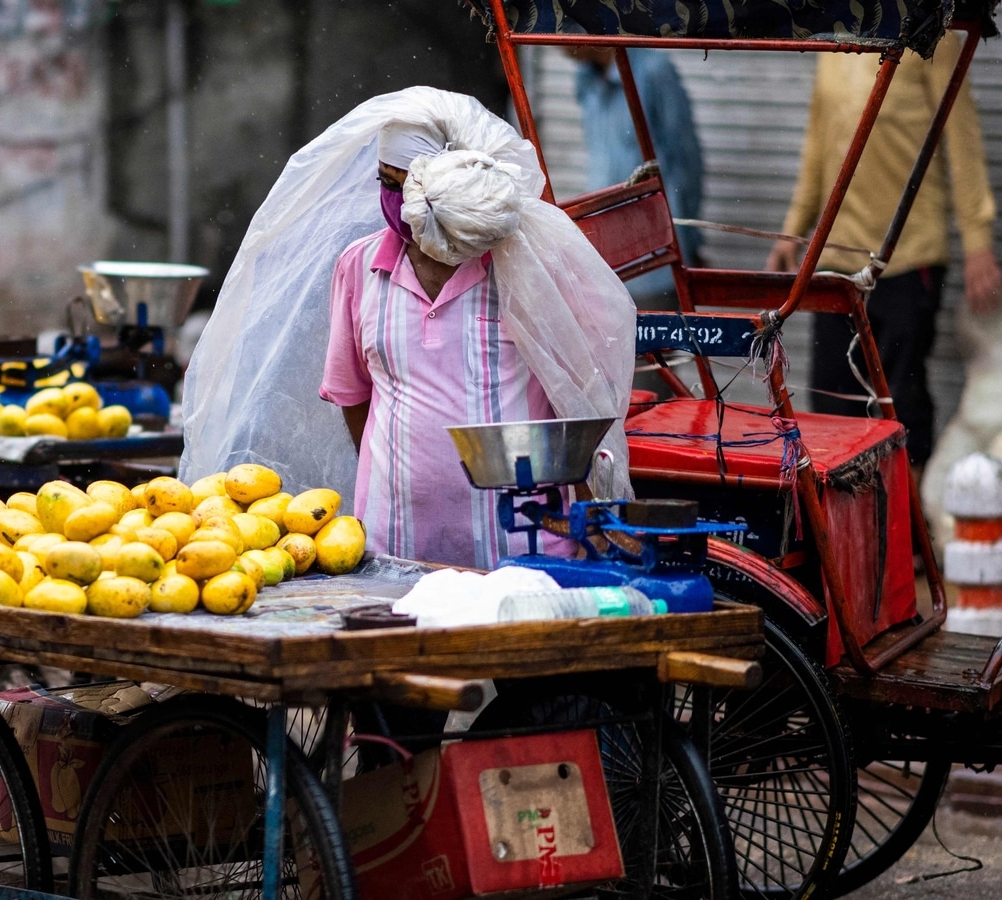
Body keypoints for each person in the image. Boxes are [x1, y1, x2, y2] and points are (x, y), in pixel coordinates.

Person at [179, 87, 635, 571]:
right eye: (385, 183)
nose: (395, 202)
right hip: (394, 549)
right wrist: (404, 477)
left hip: (523, 551)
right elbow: (355, 397)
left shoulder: (530, 271)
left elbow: (584, 401)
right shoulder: (359, 268)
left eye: (407, 188)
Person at [766, 33, 1002, 470]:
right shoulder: (836, 40)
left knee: (900, 405)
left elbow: (962, 138)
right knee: (831, 411)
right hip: (836, 262)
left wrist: (977, 241)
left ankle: (909, 530)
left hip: (908, 256)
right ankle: (841, 533)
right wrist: (791, 232)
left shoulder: (932, 34)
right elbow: (817, 147)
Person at [571, 46, 705, 299]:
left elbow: (685, 158)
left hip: (653, 257)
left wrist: (690, 238)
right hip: (603, 259)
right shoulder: (585, 78)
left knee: (657, 332)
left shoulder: (654, 70)